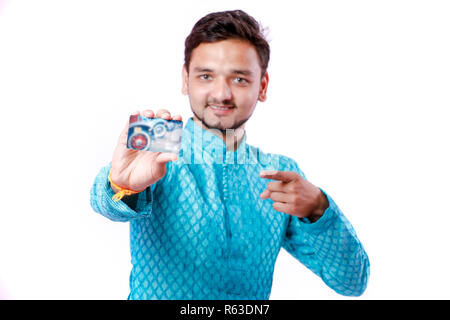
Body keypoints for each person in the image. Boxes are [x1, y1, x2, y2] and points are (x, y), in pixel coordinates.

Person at [90, 9, 370, 300]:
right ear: (186, 79)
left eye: (239, 79)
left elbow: (352, 282)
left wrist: (319, 209)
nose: (221, 94)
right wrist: (119, 185)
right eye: (206, 76)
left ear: (262, 86)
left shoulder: (279, 173)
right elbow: (105, 203)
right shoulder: (159, 147)